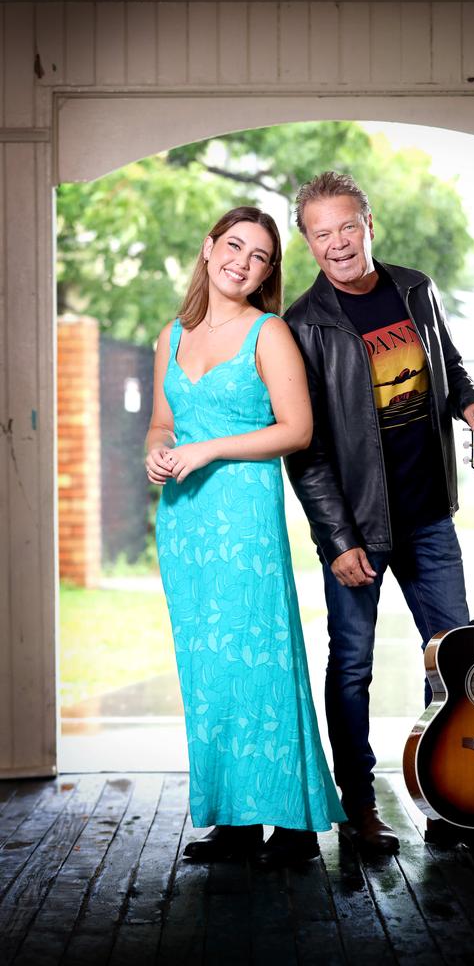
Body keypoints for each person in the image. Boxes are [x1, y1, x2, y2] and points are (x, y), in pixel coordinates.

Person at [284, 172, 474, 854]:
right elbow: (310, 449)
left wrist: (473, 401)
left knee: (455, 660)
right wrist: (337, 539)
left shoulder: (414, 288)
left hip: (429, 515)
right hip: (357, 529)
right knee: (351, 667)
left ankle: (452, 802)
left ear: (369, 225)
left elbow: (451, 369)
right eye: (321, 234)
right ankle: (360, 809)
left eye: (347, 227)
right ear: (308, 242)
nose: (337, 244)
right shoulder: (304, 325)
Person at [146, 206, 345, 868]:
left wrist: (210, 452)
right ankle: (232, 821)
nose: (243, 261)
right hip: (184, 521)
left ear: (267, 271)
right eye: (234, 246)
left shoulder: (270, 333)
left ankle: (291, 821)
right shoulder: (171, 336)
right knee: (208, 671)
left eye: (259, 255)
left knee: (262, 659)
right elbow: (161, 424)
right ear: (208, 249)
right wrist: (159, 450)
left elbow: (296, 429)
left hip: (245, 515)